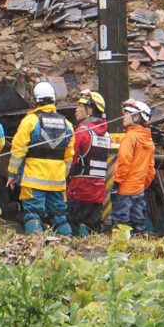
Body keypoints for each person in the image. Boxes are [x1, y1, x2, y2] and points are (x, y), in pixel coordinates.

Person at [7, 81, 75, 236]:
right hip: (57, 181)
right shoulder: (68, 124)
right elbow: (69, 157)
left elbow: (18, 150)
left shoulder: (30, 121)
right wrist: (61, 176)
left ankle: (34, 247)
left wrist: (12, 174)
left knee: (33, 214)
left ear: (35, 100)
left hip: (33, 179)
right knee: (59, 216)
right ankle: (68, 247)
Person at [67, 90, 114, 236]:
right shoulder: (106, 135)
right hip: (98, 191)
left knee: (72, 225)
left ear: (90, 110)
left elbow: (71, 160)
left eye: (80, 105)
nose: (76, 109)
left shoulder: (81, 132)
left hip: (79, 190)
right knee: (95, 229)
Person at [111, 99, 156, 234]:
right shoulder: (148, 140)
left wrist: (117, 182)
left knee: (120, 221)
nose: (123, 117)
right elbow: (151, 170)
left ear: (136, 117)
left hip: (125, 188)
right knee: (138, 221)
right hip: (139, 189)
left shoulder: (130, 137)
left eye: (126, 113)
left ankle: (120, 249)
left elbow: (124, 162)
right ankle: (140, 248)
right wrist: (141, 185)